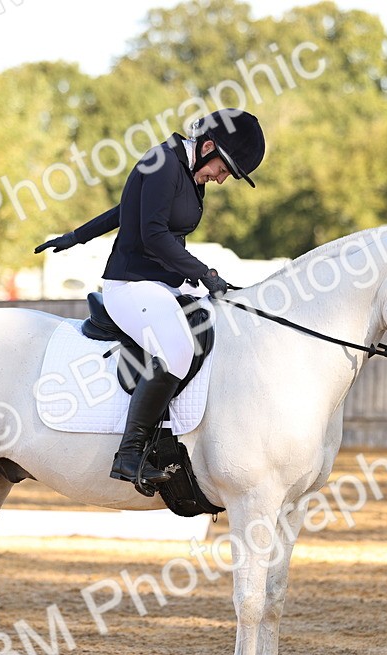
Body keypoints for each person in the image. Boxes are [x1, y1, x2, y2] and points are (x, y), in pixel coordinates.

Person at [35, 108, 265, 491]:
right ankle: (130, 452)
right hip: (131, 284)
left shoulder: (190, 173)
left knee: (216, 325)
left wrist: (78, 235)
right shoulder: (162, 163)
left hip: (166, 282)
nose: (223, 179)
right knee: (176, 348)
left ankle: (175, 434)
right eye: (224, 169)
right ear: (208, 146)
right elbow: (153, 234)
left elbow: (127, 209)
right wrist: (206, 274)